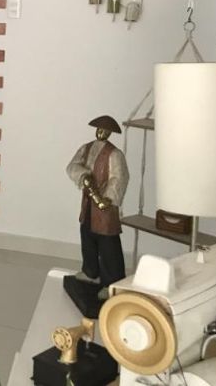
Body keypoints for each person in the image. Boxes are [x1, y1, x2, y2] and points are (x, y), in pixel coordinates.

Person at [66, 115, 129, 299]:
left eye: (105, 130)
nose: (101, 132)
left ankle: (112, 282)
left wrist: (107, 198)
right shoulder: (86, 148)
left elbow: (119, 177)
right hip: (88, 203)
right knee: (87, 236)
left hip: (104, 206)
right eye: (99, 129)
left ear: (110, 133)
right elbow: (72, 166)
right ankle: (90, 272)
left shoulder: (115, 154)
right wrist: (83, 175)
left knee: (108, 243)